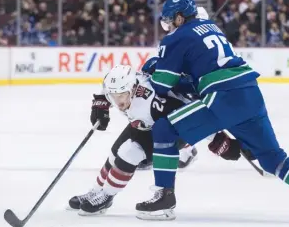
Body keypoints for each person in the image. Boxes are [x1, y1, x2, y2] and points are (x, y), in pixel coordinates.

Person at [135, 0, 289, 223]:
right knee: (272, 158)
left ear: (179, 17)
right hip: (250, 92)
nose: (168, 26)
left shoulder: (175, 38)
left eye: (170, 20)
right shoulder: (212, 27)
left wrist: (155, 68)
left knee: (164, 130)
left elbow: (161, 85)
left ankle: (164, 198)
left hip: (221, 97)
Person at [67, 65, 248, 215]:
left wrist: (219, 140)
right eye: (114, 96)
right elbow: (109, 88)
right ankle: (96, 191)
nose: (118, 101)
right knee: (115, 155)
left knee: (129, 153)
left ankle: (106, 196)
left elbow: (194, 117)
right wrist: (101, 103)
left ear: (133, 89)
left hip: (168, 129)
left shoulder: (153, 104)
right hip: (144, 124)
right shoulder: (127, 83)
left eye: (122, 95)